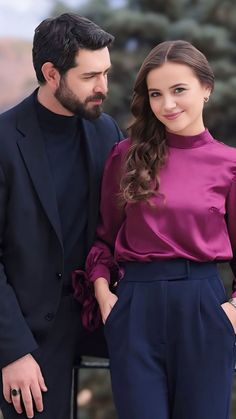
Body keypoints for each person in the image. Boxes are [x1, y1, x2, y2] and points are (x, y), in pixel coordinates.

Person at [79, 40, 236, 419]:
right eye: (156, 94)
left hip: (204, 310)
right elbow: (104, 239)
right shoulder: (126, 156)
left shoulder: (229, 165)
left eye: (178, 90)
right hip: (134, 311)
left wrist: (231, 313)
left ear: (206, 88)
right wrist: (105, 297)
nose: (167, 104)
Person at [0, 12, 123, 419]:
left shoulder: (107, 132)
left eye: (105, 73)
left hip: (101, 316)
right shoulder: (3, 140)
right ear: (51, 74)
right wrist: (13, 351)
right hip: (30, 333)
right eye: (90, 76)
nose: (103, 87)